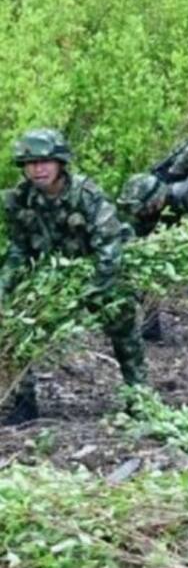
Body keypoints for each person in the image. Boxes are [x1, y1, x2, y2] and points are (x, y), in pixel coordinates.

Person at [0, 129, 145, 425]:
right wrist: (5, 286)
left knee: (122, 320)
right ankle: (24, 402)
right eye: (30, 163)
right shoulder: (20, 200)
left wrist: (87, 293)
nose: (37, 169)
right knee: (18, 326)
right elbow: (18, 249)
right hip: (50, 280)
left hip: (94, 275)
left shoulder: (87, 195)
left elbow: (109, 251)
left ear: (60, 163)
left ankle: (138, 396)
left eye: (45, 161)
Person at [116, 172, 188, 342]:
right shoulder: (143, 212)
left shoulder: (186, 198)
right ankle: (150, 325)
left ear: (157, 198)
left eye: (142, 207)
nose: (137, 213)